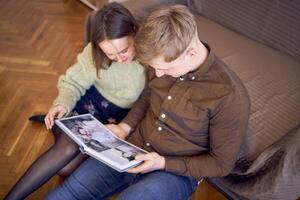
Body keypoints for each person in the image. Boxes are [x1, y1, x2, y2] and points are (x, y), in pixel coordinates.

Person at [45, 4, 250, 200]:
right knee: (69, 192)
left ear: (191, 53)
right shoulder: (161, 59)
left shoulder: (230, 97)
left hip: (175, 172)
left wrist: (161, 163)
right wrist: (124, 128)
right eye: (155, 68)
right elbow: (148, 95)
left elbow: (221, 164)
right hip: (131, 146)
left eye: (165, 69)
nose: (158, 74)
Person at [4, 2, 145, 200]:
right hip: (86, 108)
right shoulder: (93, 52)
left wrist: (126, 125)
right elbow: (73, 83)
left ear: (134, 32)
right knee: (67, 151)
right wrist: (62, 103)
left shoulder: (149, 56)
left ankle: (58, 128)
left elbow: (148, 100)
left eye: (123, 51)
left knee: (66, 168)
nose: (118, 59)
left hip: (113, 121)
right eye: (110, 55)